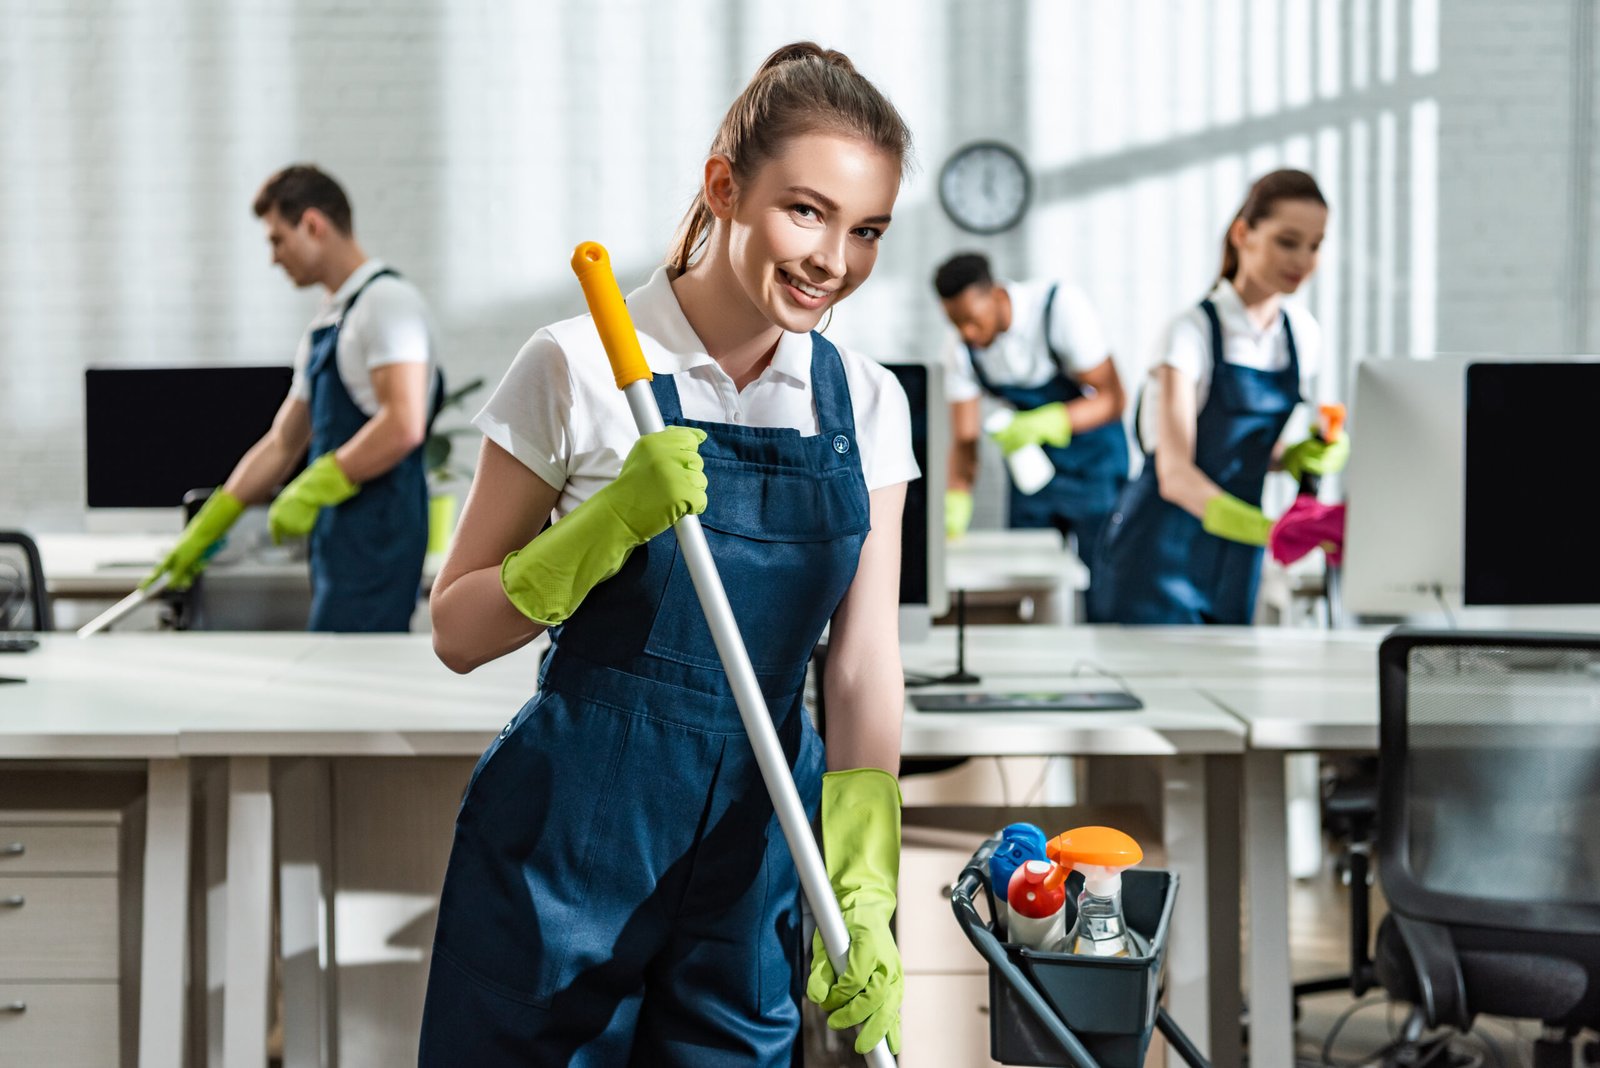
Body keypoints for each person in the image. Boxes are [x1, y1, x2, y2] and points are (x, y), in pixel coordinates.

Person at [419, 43, 916, 1066]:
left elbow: (861, 663)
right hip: (568, 840)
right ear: (724, 186)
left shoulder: (866, 402)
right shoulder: (578, 364)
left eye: (866, 230)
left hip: (757, 842)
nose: (834, 259)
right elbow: (458, 631)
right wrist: (601, 529)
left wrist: (865, 886)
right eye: (806, 211)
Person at [140, 164, 440, 632]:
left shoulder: (387, 304)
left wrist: (313, 486)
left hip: (379, 539)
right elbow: (283, 442)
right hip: (339, 541)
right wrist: (211, 524)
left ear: (313, 225)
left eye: (276, 239)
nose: (274, 258)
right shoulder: (330, 319)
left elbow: (403, 423)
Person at [1096, 169, 1350, 625]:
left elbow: (1246, 452)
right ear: (1243, 234)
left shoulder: (1301, 335)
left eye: (1316, 245)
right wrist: (1271, 531)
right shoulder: (1189, 335)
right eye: (1288, 241)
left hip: (1235, 555)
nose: (1304, 259)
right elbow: (1175, 473)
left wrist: (1296, 456)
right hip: (1159, 552)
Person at [934, 253, 1129, 616]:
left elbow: (1113, 398)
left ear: (995, 295)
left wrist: (1048, 422)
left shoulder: (1059, 309)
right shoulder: (959, 347)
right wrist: (955, 502)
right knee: (1028, 584)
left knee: (1105, 588)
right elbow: (965, 440)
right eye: (955, 323)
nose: (967, 334)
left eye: (973, 321)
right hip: (1033, 477)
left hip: (1095, 467)